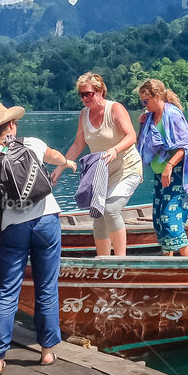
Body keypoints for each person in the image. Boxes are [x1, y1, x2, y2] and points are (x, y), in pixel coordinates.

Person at [0, 102, 75, 375]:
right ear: (11, 125)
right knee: (46, 287)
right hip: (46, 221)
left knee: (7, 292)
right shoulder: (31, 143)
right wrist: (67, 162)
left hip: (13, 227)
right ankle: (47, 352)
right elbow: (55, 156)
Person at [57, 72, 142, 256]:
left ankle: (121, 262)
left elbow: (131, 136)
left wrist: (115, 149)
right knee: (98, 214)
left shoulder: (115, 109)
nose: (85, 98)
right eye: (82, 95)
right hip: (102, 173)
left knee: (110, 210)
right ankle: (103, 260)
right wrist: (60, 166)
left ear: (100, 91)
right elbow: (78, 144)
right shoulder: (84, 114)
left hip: (127, 168)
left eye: (89, 93)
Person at [136, 79, 188, 256]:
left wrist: (170, 166)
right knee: (159, 220)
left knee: (170, 219)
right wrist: (141, 124)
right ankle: (169, 265)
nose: (144, 104)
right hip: (159, 174)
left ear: (157, 96)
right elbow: (143, 143)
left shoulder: (172, 115)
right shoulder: (149, 117)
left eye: (146, 101)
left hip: (176, 173)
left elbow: (185, 146)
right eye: (142, 101)